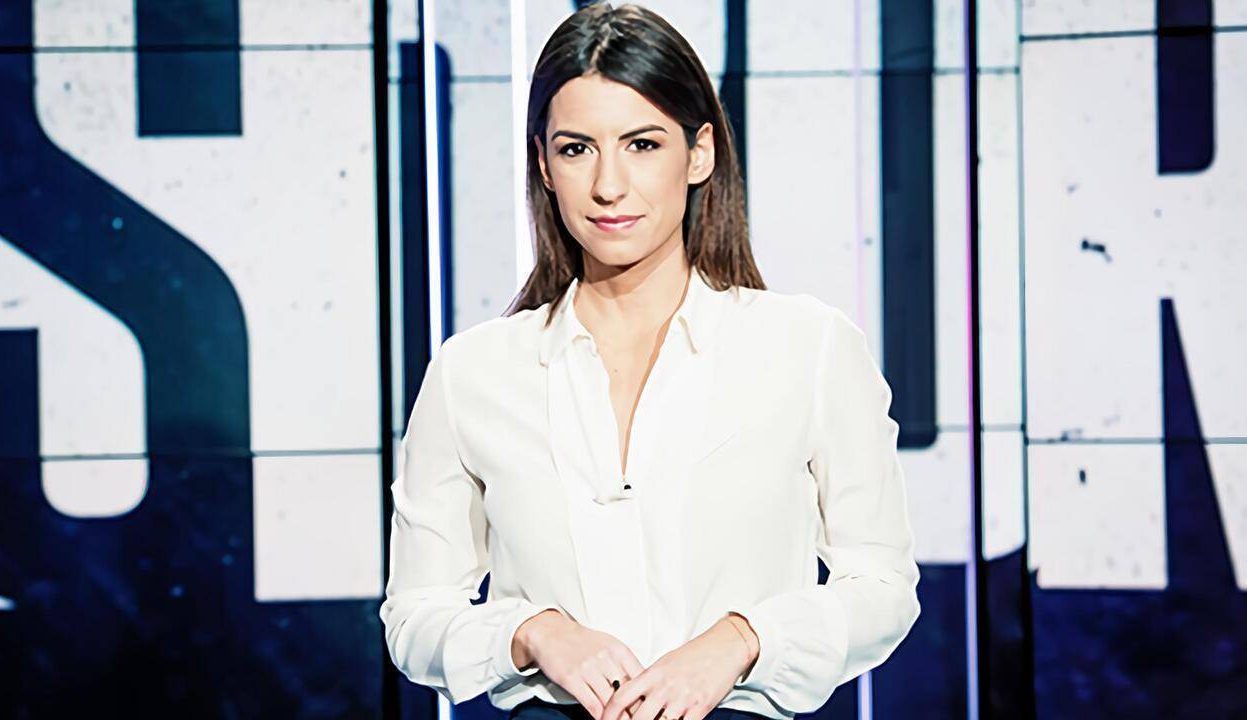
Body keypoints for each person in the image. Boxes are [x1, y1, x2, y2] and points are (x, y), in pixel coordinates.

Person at [379, 3, 921, 720]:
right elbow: (414, 616)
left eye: (641, 144)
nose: (609, 185)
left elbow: (882, 588)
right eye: (577, 148)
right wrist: (532, 632)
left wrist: (742, 639)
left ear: (699, 153)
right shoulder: (473, 372)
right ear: (543, 163)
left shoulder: (808, 348)